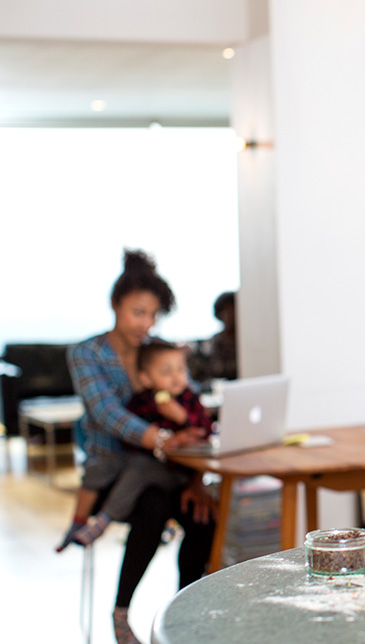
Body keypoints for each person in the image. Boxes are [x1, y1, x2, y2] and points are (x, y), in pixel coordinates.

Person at [66, 249, 217, 644]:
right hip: (116, 476)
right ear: (115, 305)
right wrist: (167, 440)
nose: (146, 323)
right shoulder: (87, 353)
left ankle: (186, 608)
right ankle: (121, 614)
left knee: (203, 515)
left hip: (172, 470)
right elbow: (107, 414)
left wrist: (196, 479)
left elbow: (191, 404)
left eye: (153, 315)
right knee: (152, 506)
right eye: (138, 312)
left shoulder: (157, 352)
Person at [57, 340, 213, 551]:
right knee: (101, 466)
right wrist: (160, 437)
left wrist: (183, 417)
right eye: (167, 372)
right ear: (146, 378)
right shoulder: (143, 402)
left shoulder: (190, 400)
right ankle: (78, 520)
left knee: (140, 471)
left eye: (181, 369)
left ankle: (103, 521)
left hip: (171, 471)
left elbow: (206, 430)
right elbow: (126, 432)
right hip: (139, 463)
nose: (177, 377)